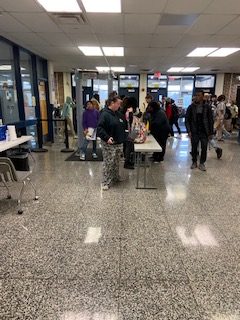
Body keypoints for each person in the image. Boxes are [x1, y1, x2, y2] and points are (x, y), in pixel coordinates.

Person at [97, 96, 126, 190]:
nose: (119, 105)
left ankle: (115, 177)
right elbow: (100, 129)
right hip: (109, 144)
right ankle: (105, 182)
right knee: (108, 163)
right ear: (112, 103)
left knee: (116, 162)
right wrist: (107, 138)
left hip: (118, 143)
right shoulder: (105, 114)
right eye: (118, 103)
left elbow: (123, 124)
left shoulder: (118, 113)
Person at [185, 90, 214, 171]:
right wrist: (189, 131)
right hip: (194, 131)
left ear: (202, 97)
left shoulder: (207, 107)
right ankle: (194, 161)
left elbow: (210, 120)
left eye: (198, 95)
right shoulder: (191, 107)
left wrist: (211, 132)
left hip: (204, 131)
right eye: (196, 95)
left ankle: (202, 163)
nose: (196, 97)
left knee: (204, 148)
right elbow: (187, 119)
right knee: (194, 147)